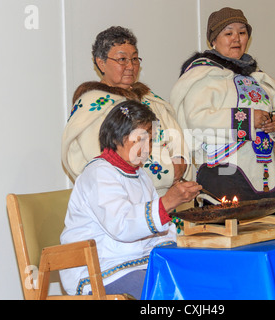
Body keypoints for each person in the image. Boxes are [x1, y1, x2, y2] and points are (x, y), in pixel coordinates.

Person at [60, 100, 201, 298]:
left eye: (151, 140)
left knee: (196, 278)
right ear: (118, 136)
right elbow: (121, 225)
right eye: (140, 139)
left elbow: (158, 229)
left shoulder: (140, 175)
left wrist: (180, 244)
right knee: (165, 293)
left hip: (138, 263)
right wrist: (167, 202)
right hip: (101, 270)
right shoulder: (99, 173)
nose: (147, 148)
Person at [170, 7, 275, 205]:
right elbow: (197, 119)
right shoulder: (203, 76)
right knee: (232, 226)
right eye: (228, 33)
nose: (236, 38)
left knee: (271, 226)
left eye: (242, 33)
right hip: (224, 172)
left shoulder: (257, 77)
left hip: (264, 169)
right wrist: (248, 119)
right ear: (213, 40)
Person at [62, 26, 190, 198]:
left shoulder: (149, 99)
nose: (130, 66)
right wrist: (169, 172)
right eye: (122, 59)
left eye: (135, 59)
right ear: (101, 63)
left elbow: (176, 136)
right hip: (122, 202)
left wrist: (180, 161)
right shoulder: (93, 105)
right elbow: (106, 159)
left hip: (171, 198)